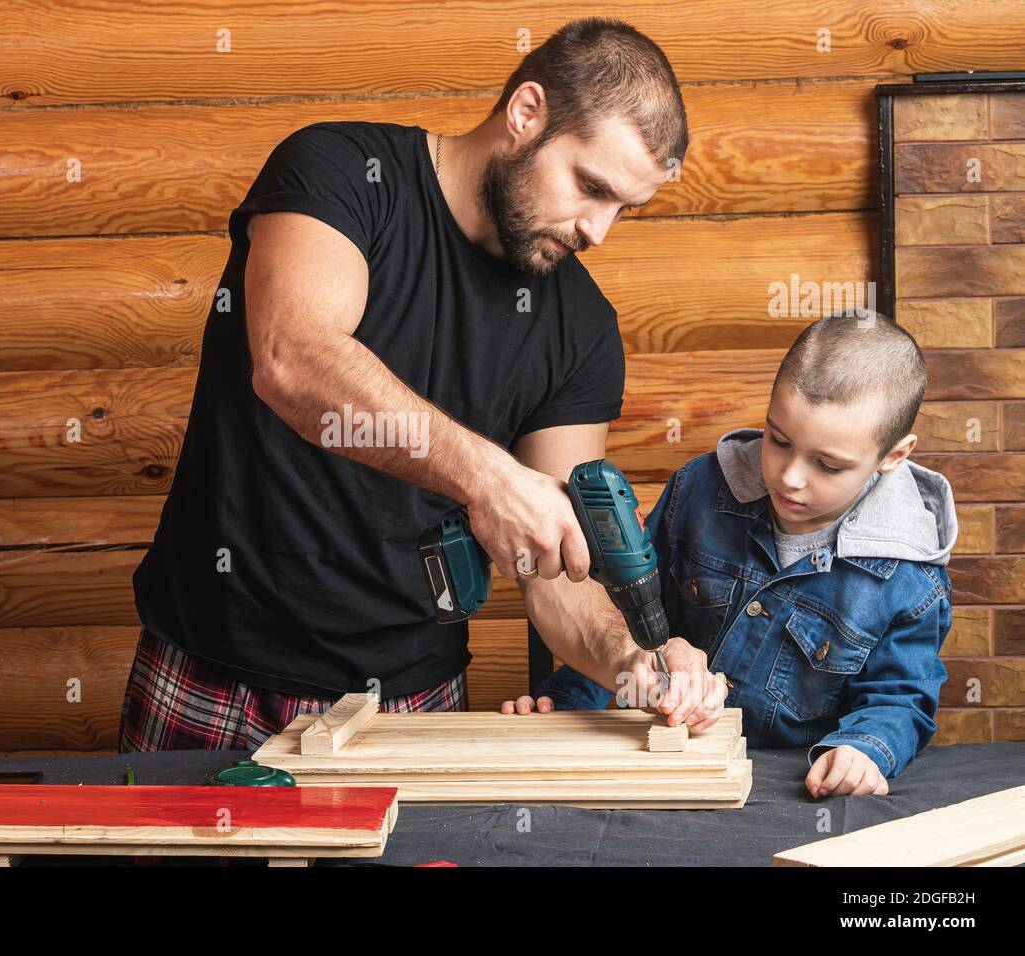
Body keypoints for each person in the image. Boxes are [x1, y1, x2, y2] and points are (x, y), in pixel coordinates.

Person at [120, 18, 730, 752]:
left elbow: (556, 565)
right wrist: (488, 479)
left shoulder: (582, 330)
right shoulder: (341, 170)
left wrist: (632, 661)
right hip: (213, 674)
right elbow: (295, 356)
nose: (598, 229)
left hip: (412, 701)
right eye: (591, 187)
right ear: (526, 113)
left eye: (623, 208)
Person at [502, 315, 958, 798]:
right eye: (778, 440)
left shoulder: (909, 577)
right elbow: (623, 618)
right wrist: (571, 707)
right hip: (664, 770)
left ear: (893, 453)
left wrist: (864, 750)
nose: (790, 477)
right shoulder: (698, 491)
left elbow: (899, 699)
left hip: (790, 791)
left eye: (827, 464)